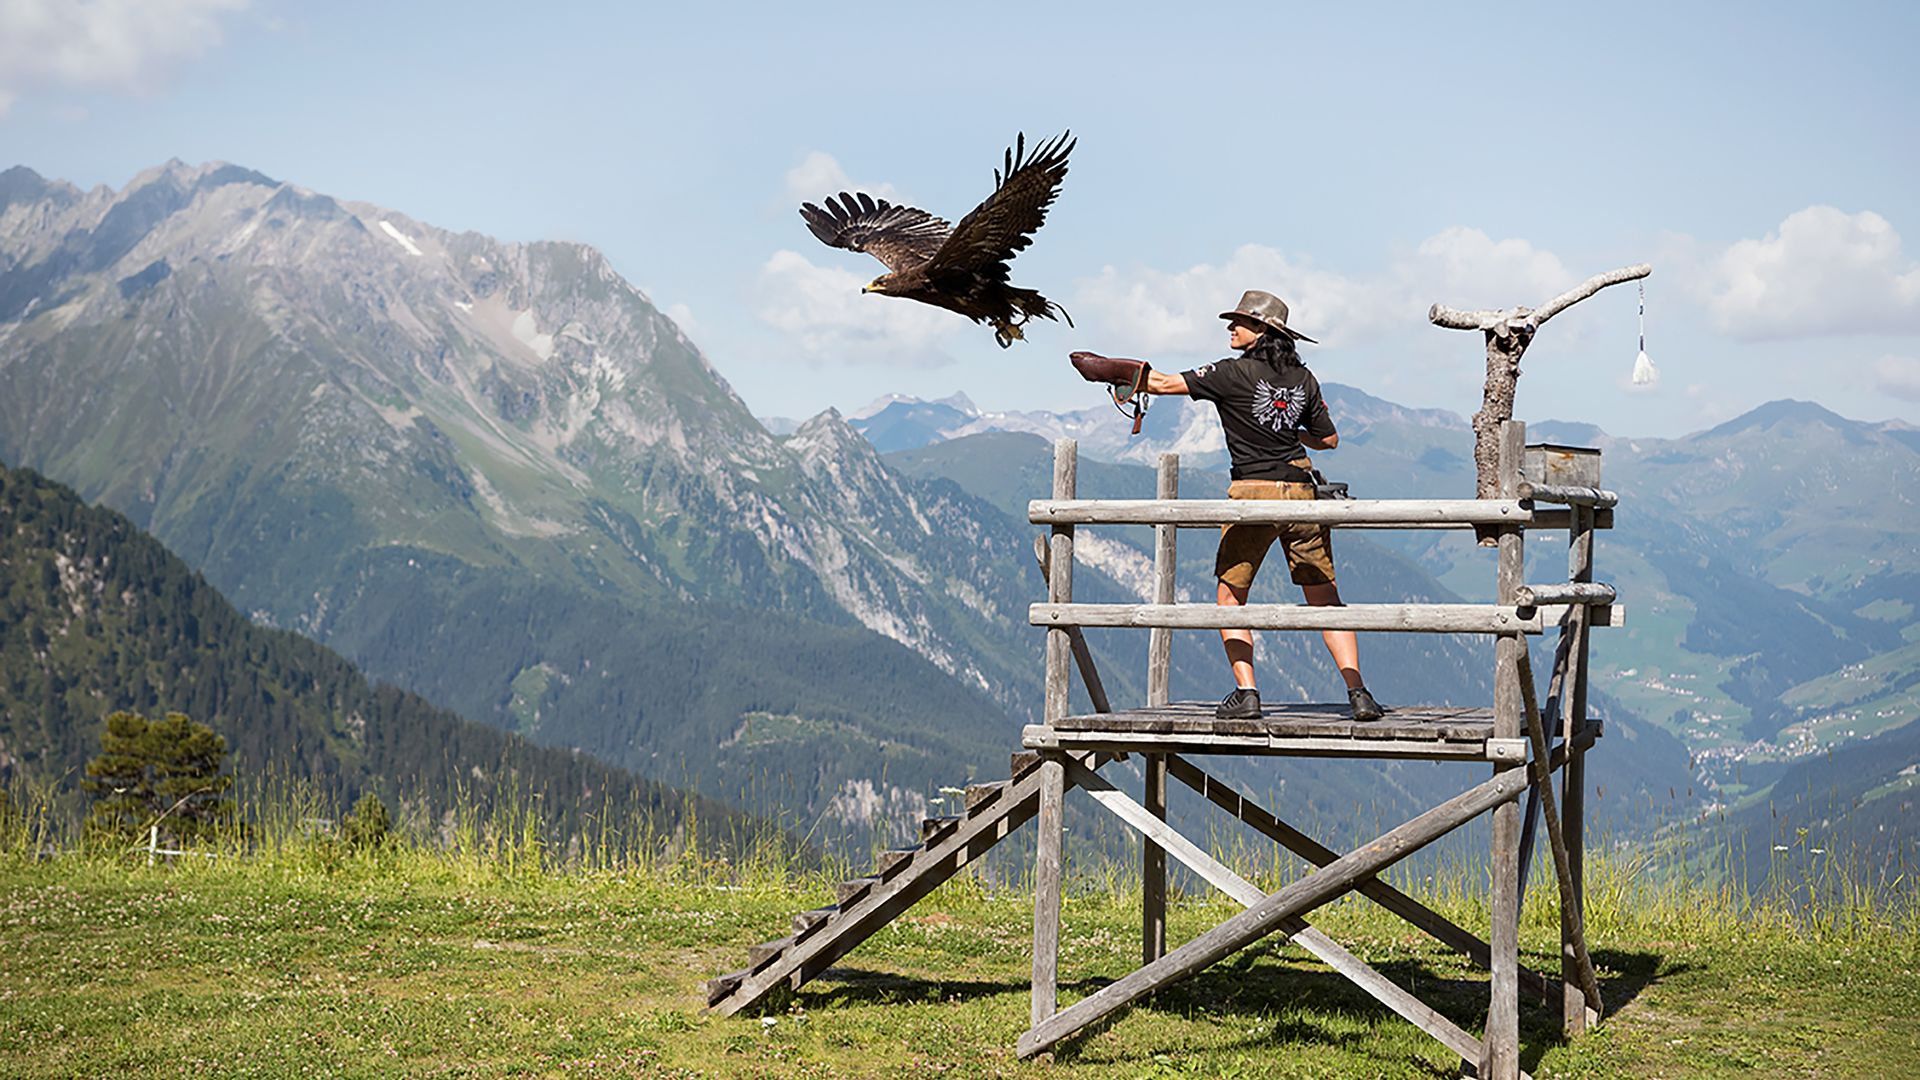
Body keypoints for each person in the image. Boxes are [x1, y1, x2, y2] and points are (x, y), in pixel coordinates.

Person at [1069, 290, 1385, 721]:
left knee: (1231, 596)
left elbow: (1160, 383)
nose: (1230, 327)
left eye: (1239, 322)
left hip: (1253, 494)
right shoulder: (1304, 380)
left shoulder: (1228, 373)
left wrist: (1109, 370)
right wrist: (1292, 436)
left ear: (1262, 330)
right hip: (1301, 493)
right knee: (1326, 600)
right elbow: (1328, 440)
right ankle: (1359, 693)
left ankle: (1247, 693)